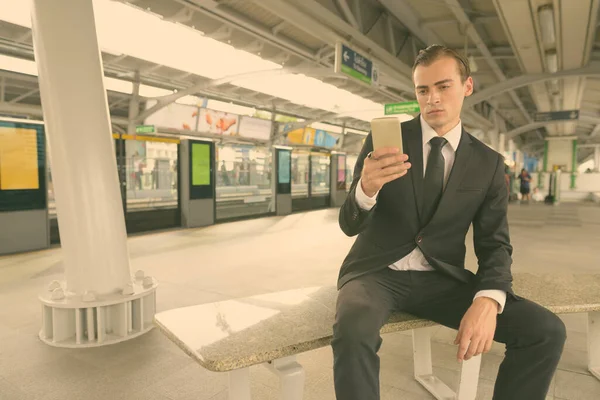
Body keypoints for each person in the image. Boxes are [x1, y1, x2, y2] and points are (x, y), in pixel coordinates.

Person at [333, 44, 566, 400]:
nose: (432, 99)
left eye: (443, 87)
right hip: (376, 273)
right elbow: (349, 224)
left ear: (467, 87)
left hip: (441, 279)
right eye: (423, 90)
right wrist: (366, 189)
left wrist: (488, 299)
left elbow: (494, 242)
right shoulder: (386, 142)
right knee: (353, 329)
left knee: (546, 331)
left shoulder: (487, 163)